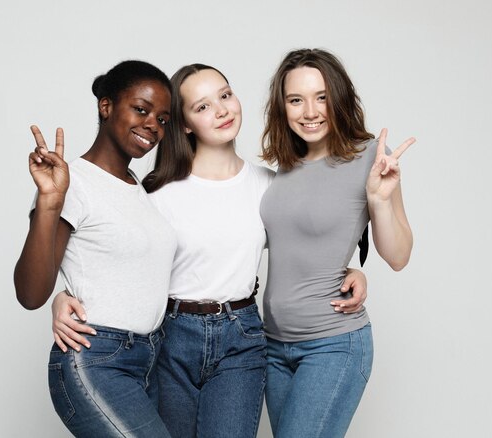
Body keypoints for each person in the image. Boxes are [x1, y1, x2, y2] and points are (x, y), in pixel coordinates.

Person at [50, 63, 369, 438]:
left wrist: (349, 271)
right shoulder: (156, 194)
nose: (220, 110)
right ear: (183, 123)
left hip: (242, 338)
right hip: (171, 338)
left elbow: (309, 238)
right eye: (201, 107)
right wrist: (66, 295)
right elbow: (115, 254)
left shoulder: (269, 187)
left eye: (225, 95)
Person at [13, 60, 176, 437]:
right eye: (141, 109)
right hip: (98, 360)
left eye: (163, 119)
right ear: (106, 107)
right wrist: (50, 202)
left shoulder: (139, 189)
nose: (152, 124)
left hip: (151, 358)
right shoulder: (74, 183)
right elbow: (30, 293)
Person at [260, 48, 415, 438]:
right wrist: (351, 268)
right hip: (272, 347)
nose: (310, 111)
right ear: (283, 107)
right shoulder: (284, 166)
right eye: (296, 100)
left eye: (322, 97)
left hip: (332, 344)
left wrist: (379, 200)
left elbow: (398, 256)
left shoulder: (369, 157)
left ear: (339, 99)